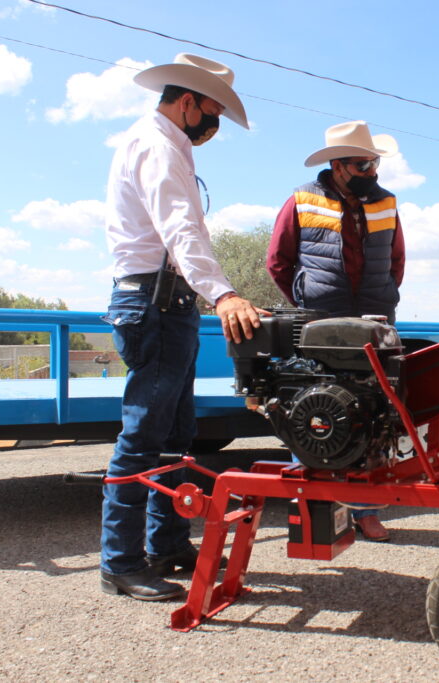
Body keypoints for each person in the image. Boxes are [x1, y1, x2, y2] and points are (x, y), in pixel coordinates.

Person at [101, 53, 266, 601]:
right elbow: (178, 227)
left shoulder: (164, 144)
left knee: (173, 436)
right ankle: (120, 563)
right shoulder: (158, 145)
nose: (213, 124)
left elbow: (180, 231)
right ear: (187, 101)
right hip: (155, 303)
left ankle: (165, 545)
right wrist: (223, 292)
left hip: (165, 303)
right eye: (212, 110)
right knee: (145, 435)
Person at [267, 121, 405, 542]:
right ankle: (318, 506)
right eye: (363, 164)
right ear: (338, 165)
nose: (372, 172)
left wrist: (384, 295)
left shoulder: (387, 203)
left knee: (375, 413)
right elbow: (278, 260)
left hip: (373, 322)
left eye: (374, 162)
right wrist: (309, 300)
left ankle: (366, 511)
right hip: (319, 325)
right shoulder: (301, 200)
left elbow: (397, 260)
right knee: (313, 410)